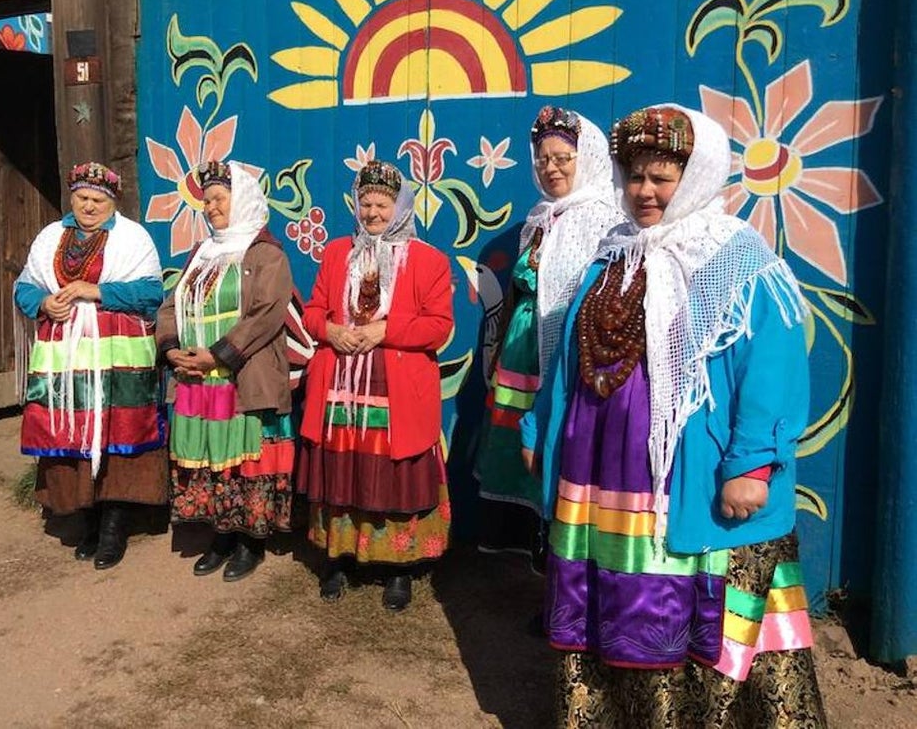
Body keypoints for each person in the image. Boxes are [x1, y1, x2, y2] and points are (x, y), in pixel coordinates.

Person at [521, 105, 828, 726]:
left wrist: (753, 465)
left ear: (694, 177)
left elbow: (771, 367)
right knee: (604, 596)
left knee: (683, 610)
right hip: (601, 475)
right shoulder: (613, 254)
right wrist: (539, 428)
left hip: (683, 479)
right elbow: (568, 355)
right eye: (635, 177)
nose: (645, 192)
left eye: (661, 178)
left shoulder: (735, 258)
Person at [298, 160, 454, 611]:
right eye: (365, 204)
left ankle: (398, 568)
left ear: (400, 206)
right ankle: (339, 558)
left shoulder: (429, 261)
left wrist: (387, 329)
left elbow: (439, 326)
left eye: (381, 204)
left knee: (391, 475)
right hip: (341, 390)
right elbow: (313, 311)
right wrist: (331, 332)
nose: (371, 214)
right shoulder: (337, 254)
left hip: (396, 390)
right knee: (342, 472)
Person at [476, 106, 620, 560]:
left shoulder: (602, 219)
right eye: (543, 159)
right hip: (522, 349)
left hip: (562, 353)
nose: (551, 167)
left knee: (558, 438)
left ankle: (558, 545)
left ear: (588, 158)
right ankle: (527, 537)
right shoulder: (541, 217)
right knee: (519, 442)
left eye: (563, 158)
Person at [15, 162, 165, 570]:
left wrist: (97, 291)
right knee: (74, 433)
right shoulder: (50, 238)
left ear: (112, 202)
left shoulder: (133, 239)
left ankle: (114, 528)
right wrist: (44, 303)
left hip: (117, 357)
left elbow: (152, 293)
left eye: (98, 200)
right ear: (72, 197)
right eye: (82, 198)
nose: (89, 206)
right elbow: (24, 288)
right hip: (66, 359)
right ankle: (88, 520)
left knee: (116, 433)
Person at [156, 160, 295, 582]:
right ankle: (220, 534)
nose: (211, 207)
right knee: (214, 457)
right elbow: (171, 304)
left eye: (219, 199)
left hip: (240, 376)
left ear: (243, 200)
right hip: (198, 381)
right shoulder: (202, 254)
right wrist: (171, 349)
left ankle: (249, 541)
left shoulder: (265, 253)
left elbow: (267, 313)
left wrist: (219, 355)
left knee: (245, 457)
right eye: (207, 201)